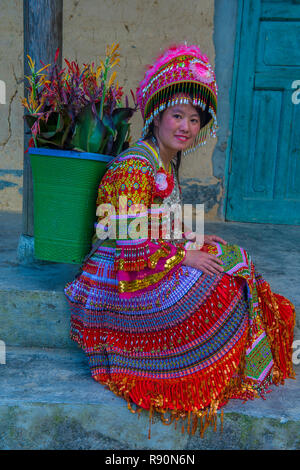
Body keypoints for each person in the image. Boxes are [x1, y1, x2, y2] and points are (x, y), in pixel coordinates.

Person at [64, 44, 295, 438]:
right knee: (218, 286)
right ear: (156, 118)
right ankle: (202, 371)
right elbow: (130, 238)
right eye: (177, 115)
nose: (186, 126)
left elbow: (160, 226)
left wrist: (193, 241)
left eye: (193, 118)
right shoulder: (134, 167)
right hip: (120, 276)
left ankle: (237, 362)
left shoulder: (164, 162)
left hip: (153, 258)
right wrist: (185, 256)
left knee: (236, 259)